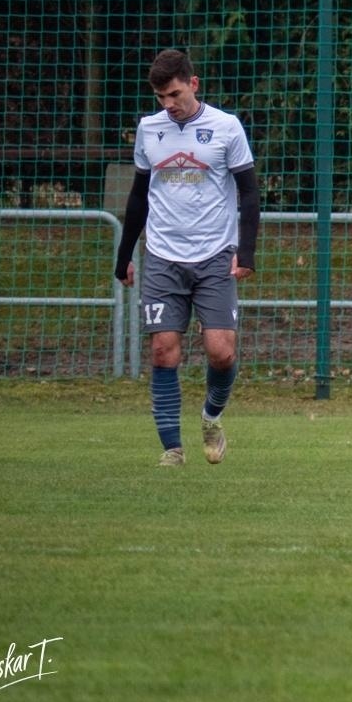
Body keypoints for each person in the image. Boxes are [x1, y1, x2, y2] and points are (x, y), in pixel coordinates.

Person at [113, 49, 259, 467]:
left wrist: (246, 251)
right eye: (161, 97)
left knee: (221, 352)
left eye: (175, 94)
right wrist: (124, 255)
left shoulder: (226, 127)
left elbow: (249, 192)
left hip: (215, 254)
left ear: (193, 84)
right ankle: (172, 451)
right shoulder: (149, 129)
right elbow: (139, 195)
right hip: (163, 255)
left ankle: (211, 416)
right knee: (163, 350)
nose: (168, 104)